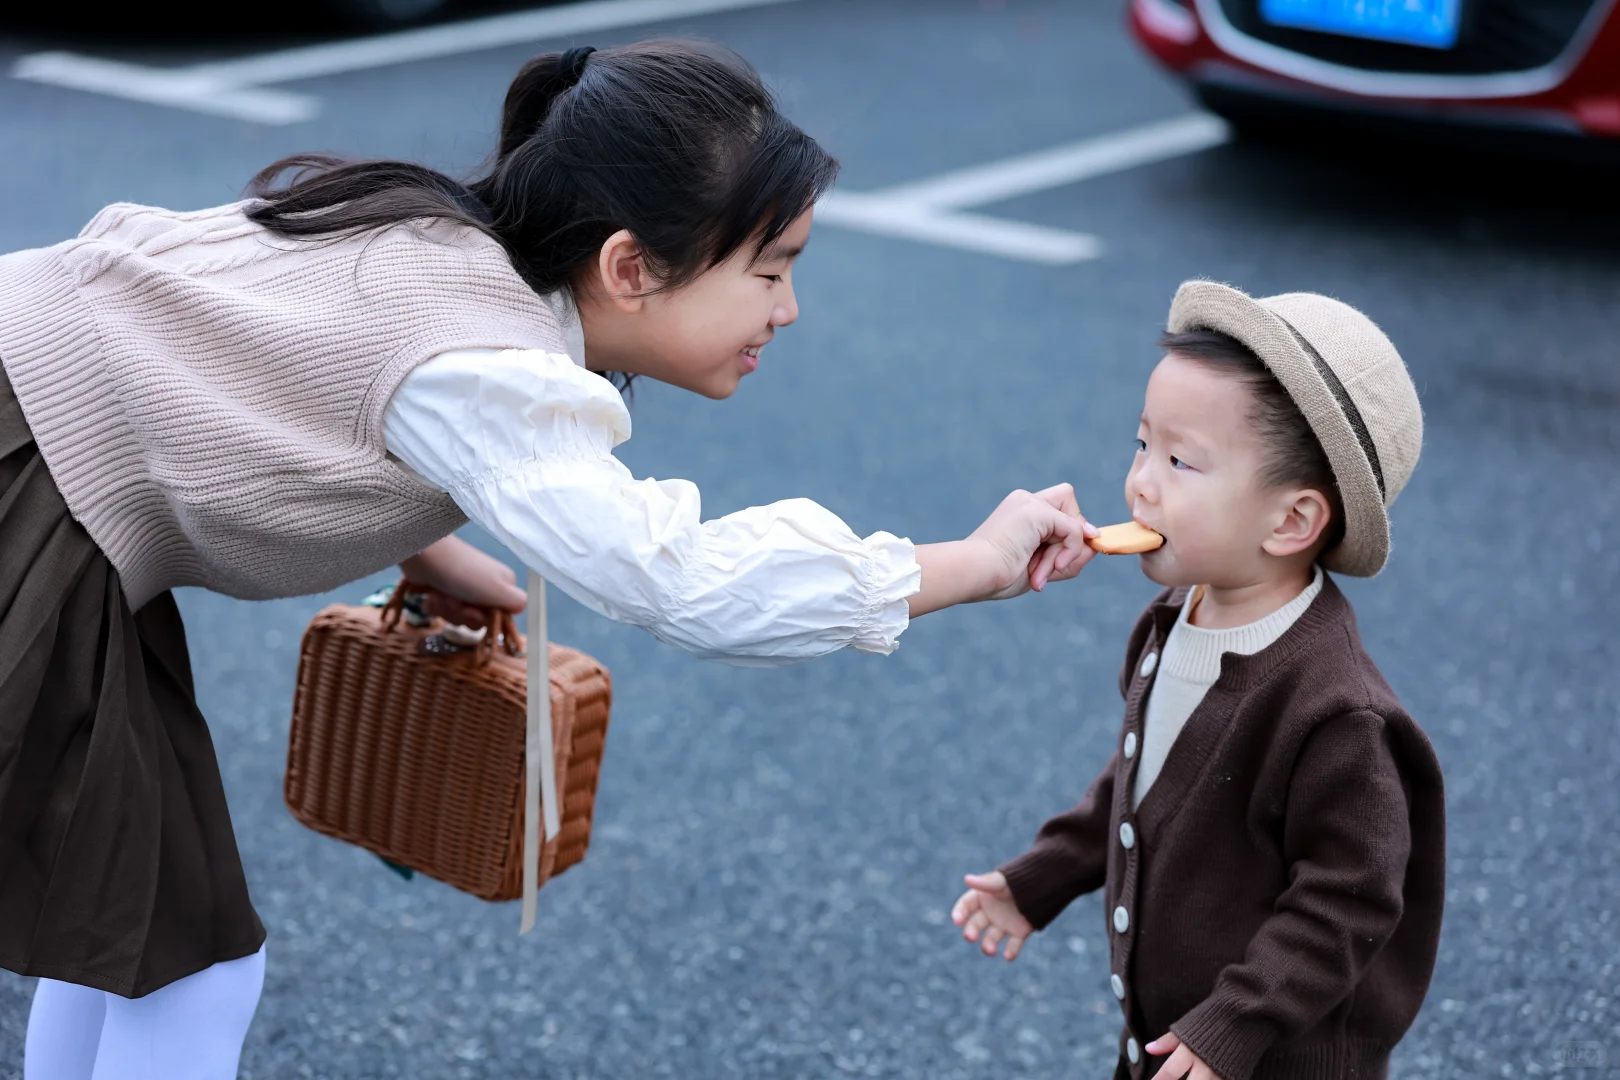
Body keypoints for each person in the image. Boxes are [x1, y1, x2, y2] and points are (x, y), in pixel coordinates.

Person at [1, 40, 1099, 1080]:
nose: (790, 308)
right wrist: (971, 563)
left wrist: (423, 543)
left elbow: (238, 356)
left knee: (136, 928)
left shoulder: (431, 236)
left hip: (48, 483)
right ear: (629, 265)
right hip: (29, 505)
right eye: (770, 270)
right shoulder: (491, 359)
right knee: (180, 959)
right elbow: (681, 579)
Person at [949, 282, 1446, 1080]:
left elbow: (1349, 899)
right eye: (1142, 444)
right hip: (1174, 1044)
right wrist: (1040, 876)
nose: (1142, 482)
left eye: (1180, 461)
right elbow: (1140, 789)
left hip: (1273, 1057)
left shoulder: (1336, 711)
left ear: (1290, 522)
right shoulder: (1172, 618)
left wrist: (1231, 1026)